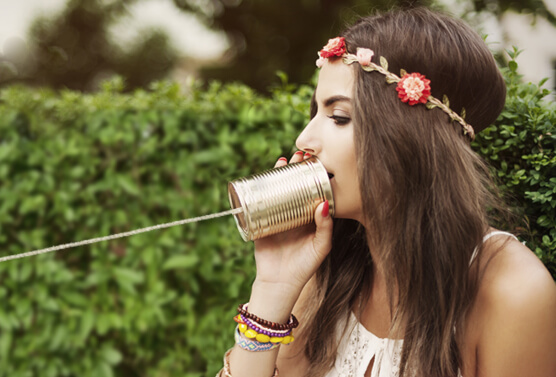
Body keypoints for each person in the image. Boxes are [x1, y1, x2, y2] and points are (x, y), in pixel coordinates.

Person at [217, 7, 556, 377]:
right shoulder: (326, 273)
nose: (304, 139)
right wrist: (272, 288)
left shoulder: (512, 292)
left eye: (339, 117)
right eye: (315, 111)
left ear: (408, 138)